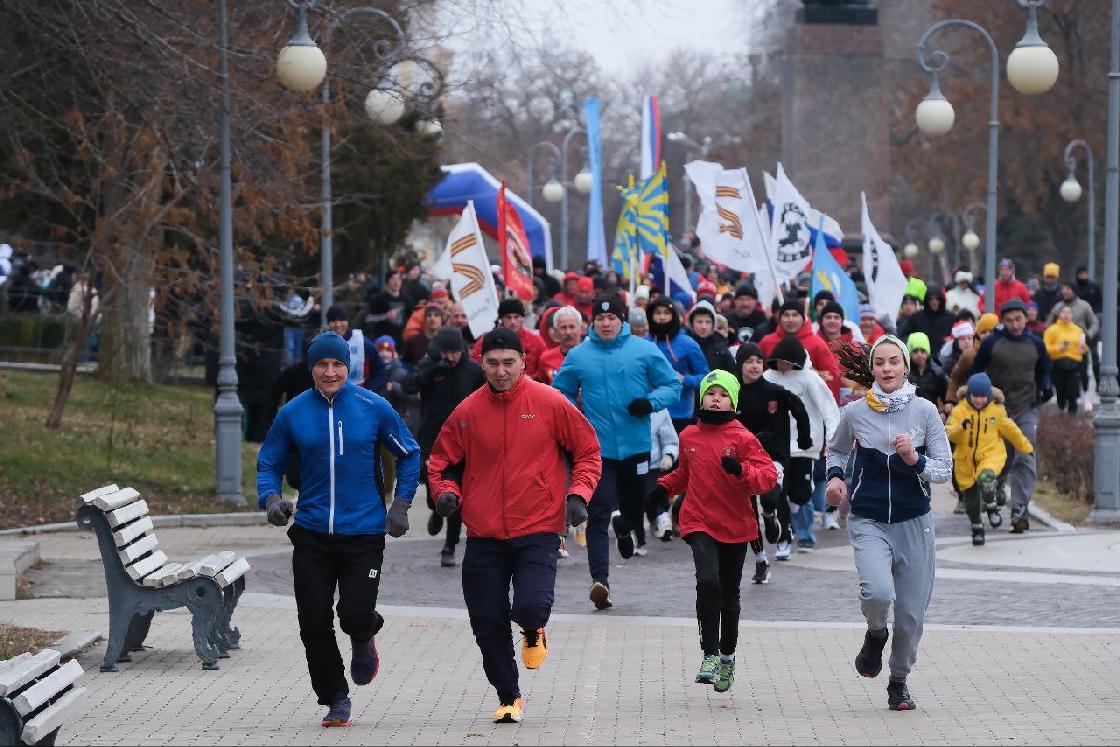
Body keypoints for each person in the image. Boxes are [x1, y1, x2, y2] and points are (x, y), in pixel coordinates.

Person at [427, 328, 601, 724]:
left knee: (530, 606)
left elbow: (588, 450)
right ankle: (509, 696)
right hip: (484, 533)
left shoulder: (549, 402)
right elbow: (441, 463)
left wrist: (578, 495)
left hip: (538, 527)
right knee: (486, 620)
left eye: (509, 362)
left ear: (524, 361)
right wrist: (446, 492)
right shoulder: (468, 411)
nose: (501, 371)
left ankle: (534, 628)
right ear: (481, 364)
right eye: (493, 363)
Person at [256, 331, 421, 728]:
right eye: (321, 365)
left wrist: (400, 505)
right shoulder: (293, 412)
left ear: (348, 367)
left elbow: (410, 453)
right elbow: (269, 463)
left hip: (363, 533)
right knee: (313, 620)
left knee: (353, 613)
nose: (329, 372)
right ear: (311, 368)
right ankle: (335, 697)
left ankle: (364, 634)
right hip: (311, 533)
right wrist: (272, 500)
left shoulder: (373, 407)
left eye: (337, 365)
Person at [825, 335, 952, 712]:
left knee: (911, 614)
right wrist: (835, 478)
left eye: (894, 361)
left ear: (905, 367)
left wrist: (915, 459)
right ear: (872, 369)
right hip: (870, 519)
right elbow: (837, 449)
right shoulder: (855, 412)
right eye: (880, 362)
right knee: (877, 593)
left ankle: (899, 681)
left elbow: (945, 470)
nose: (887, 368)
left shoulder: (925, 411)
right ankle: (876, 633)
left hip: (915, 523)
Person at [652, 370, 779, 693]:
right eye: (711, 393)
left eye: (723, 395)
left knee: (729, 594)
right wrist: (663, 488)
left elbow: (767, 476)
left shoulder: (743, 438)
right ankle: (708, 653)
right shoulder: (689, 435)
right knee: (708, 581)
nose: (716, 399)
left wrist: (742, 470)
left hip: (735, 524)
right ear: (702, 398)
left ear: (733, 401)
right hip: (698, 519)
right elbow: (685, 473)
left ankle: (727, 657)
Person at [553, 294, 681, 610]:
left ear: (622, 320)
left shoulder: (644, 350)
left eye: (612, 318)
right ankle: (600, 582)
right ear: (593, 322)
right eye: (600, 318)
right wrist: (575, 415)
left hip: (637, 447)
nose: (606, 323)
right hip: (597, 450)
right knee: (598, 514)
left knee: (632, 512)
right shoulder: (579, 355)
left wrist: (649, 403)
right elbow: (559, 393)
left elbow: (672, 386)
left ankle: (626, 531)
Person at [402, 325, 485, 566]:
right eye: (446, 352)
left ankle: (449, 546)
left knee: (454, 491)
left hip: (463, 439)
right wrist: (431, 372)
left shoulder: (472, 371)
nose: (451, 357)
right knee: (433, 486)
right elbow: (408, 385)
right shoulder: (430, 365)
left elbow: (486, 398)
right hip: (432, 437)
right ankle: (435, 509)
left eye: (455, 352)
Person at [971, 298, 1052, 533]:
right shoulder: (992, 343)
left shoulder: (1036, 344)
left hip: (1026, 408)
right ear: (1003, 321)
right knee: (1002, 457)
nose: (1015, 324)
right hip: (998, 410)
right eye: (1009, 320)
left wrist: (1046, 387)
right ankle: (995, 490)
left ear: (1026, 318)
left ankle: (1019, 510)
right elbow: (976, 372)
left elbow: (1044, 371)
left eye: (1019, 319)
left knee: (1025, 455)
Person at [735, 342, 812, 581]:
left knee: (770, 496)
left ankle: (773, 519)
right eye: (749, 361)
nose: (755, 366)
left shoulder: (774, 391)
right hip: (742, 461)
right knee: (748, 513)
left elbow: (800, 410)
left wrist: (805, 438)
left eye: (759, 361)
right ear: (740, 365)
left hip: (773, 457)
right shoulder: (732, 393)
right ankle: (761, 560)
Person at [763, 336, 839, 556]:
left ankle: (802, 525)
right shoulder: (768, 378)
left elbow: (829, 409)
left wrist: (832, 440)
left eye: (787, 362)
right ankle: (785, 537)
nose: (783, 367)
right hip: (777, 446)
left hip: (805, 445)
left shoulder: (810, 379)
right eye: (779, 362)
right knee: (779, 491)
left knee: (801, 494)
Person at [946, 373, 1034, 545]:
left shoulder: (997, 411)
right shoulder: (959, 411)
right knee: (971, 500)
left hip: (991, 455)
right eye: (975, 396)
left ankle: (992, 505)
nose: (979, 400)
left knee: (986, 477)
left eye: (983, 396)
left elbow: (1012, 431)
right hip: (965, 461)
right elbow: (949, 434)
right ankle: (977, 527)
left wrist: (1026, 448)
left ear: (988, 395)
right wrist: (961, 428)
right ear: (969, 394)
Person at [646, 297, 709, 431]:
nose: (662, 317)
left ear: (674, 315)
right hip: (649, 411)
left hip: (680, 414)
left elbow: (706, 378)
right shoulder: (643, 343)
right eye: (658, 312)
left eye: (666, 313)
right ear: (651, 315)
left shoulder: (688, 344)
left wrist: (684, 379)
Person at [759, 299, 842, 402]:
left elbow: (833, 376)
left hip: (807, 403)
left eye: (795, 315)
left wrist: (815, 375)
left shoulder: (817, 343)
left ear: (803, 318)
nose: (790, 319)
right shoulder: (767, 342)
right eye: (786, 315)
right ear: (780, 318)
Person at [470, 298, 547, 380]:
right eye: (508, 317)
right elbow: (474, 365)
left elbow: (545, 367)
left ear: (522, 318)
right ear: (501, 319)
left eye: (516, 317)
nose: (513, 321)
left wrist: (533, 378)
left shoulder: (536, 341)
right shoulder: (486, 340)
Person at [1047, 281, 1099, 393]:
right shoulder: (1058, 307)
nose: (1065, 291)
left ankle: (1084, 393)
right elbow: (1049, 324)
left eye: (1068, 289)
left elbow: (1094, 323)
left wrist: (1088, 335)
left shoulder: (1084, 306)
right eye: (1063, 289)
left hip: (1079, 343)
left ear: (1074, 291)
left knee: (1083, 372)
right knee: (1064, 375)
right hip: (1063, 347)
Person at [326, 304, 386, 393]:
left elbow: (380, 370)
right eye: (333, 320)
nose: (338, 324)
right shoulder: (320, 343)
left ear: (347, 321)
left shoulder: (362, 343)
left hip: (358, 394)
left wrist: (368, 391)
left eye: (342, 320)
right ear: (328, 323)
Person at [643, 407, 679, 547]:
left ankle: (661, 519)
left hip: (653, 464)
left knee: (653, 493)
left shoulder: (660, 411)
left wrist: (668, 455)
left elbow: (670, 440)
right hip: (622, 462)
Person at [1044, 304, 1088, 413]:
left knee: (1072, 393)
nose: (1066, 315)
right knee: (1061, 393)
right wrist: (1059, 347)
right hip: (1058, 364)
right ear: (1059, 314)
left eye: (1069, 312)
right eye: (1063, 312)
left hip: (1074, 364)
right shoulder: (1051, 330)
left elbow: (1084, 348)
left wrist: (1083, 348)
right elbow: (1045, 348)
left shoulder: (1078, 330)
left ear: (1072, 315)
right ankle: (1062, 415)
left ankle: (1072, 417)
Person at [902, 289, 954, 361]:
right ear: (927, 300)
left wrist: (951, 340)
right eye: (931, 299)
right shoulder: (916, 317)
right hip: (920, 357)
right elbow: (905, 337)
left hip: (946, 357)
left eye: (937, 299)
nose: (934, 302)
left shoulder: (951, 317)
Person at [536, 306, 584, 384]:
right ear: (556, 331)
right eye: (563, 327)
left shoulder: (592, 356)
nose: (568, 332)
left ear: (581, 328)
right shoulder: (545, 359)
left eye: (572, 327)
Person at [689, 300, 736, 374]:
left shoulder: (721, 347)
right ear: (692, 323)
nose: (704, 326)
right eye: (699, 322)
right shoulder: (685, 344)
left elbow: (732, 372)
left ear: (713, 324)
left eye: (708, 322)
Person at [364, 270, 409, 344]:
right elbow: (369, 318)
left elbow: (410, 318)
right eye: (393, 279)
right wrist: (385, 316)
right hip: (384, 340)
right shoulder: (380, 298)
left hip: (401, 340)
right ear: (387, 281)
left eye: (398, 279)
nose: (396, 282)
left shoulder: (406, 299)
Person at [905, 333, 947, 409]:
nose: (919, 355)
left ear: (927, 352)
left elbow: (946, 396)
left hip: (931, 412)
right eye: (915, 351)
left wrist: (948, 406)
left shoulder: (937, 372)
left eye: (923, 351)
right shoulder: (905, 372)